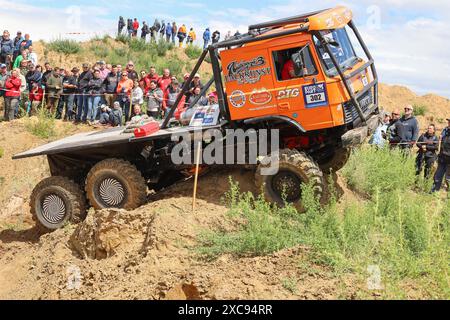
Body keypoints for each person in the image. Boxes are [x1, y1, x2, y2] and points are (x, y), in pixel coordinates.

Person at [431, 118, 450, 193]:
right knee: (437, 176)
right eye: (448, 122)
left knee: (448, 179)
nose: (448, 123)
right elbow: (440, 140)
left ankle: (448, 196)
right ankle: (434, 192)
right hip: (442, 158)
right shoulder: (446, 130)